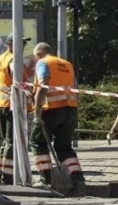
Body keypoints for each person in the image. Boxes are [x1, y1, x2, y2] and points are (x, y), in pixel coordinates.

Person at [28, 43, 86, 196]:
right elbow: (74, 86)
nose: (35, 61)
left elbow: (43, 85)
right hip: (70, 109)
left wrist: (37, 110)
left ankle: (47, 179)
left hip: (52, 109)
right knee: (64, 147)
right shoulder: (67, 64)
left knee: (37, 141)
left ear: (40, 53)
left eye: (35, 57)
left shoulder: (43, 62)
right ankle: (77, 179)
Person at [0, 34, 31, 184]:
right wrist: (17, 80)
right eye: (21, 42)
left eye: (24, 43)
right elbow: (13, 70)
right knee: (12, 140)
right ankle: (7, 176)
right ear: (11, 44)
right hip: (11, 105)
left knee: (7, 140)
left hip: (2, 105)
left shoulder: (1, 57)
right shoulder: (13, 60)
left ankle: (0, 172)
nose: (24, 46)